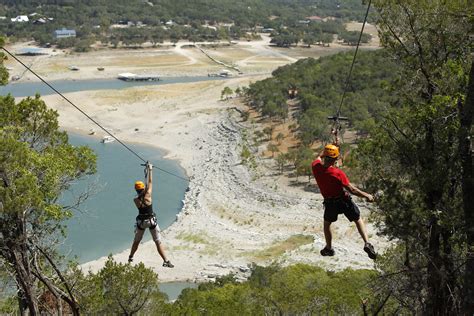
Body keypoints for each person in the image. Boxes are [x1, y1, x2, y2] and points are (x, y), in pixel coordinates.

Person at [311, 141, 377, 260]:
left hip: (329, 203)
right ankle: (367, 242)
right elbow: (352, 189)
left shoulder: (315, 166)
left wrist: (329, 148)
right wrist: (367, 195)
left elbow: (319, 156)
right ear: (336, 159)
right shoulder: (338, 173)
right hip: (343, 200)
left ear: (325, 156)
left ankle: (329, 247)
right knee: (357, 219)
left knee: (327, 225)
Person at [128, 162, 174, 268]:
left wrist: (148, 170)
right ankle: (166, 260)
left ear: (136, 189)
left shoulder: (135, 200)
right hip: (151, 221)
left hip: (141, 223)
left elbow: (144, 189)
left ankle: (131, 256)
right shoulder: (148, 195)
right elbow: (150, 182)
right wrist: (150, 169)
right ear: (143, 188)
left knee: (136, 241)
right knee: (158, 242)